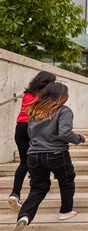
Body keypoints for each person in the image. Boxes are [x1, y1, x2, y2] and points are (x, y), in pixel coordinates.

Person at [14, 83, 86, 231]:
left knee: (38, 187)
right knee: (67, 180)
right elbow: (65, 133)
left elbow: (30, 132)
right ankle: (66, 211)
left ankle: (25, 215)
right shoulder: (63, 110)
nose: (67, 97)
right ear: (60, 96)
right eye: (66, 94)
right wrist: (79, 138)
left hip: (33, 155)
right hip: (56, 153)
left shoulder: (33, 109)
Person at [8, 71, 56, 212]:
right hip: (33, 128)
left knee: (24, 162)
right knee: (38, 158)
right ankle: (34, 194)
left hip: (20, 128)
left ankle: (15, 193)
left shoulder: (27, 94)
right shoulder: (44, 97)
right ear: (46, 83)